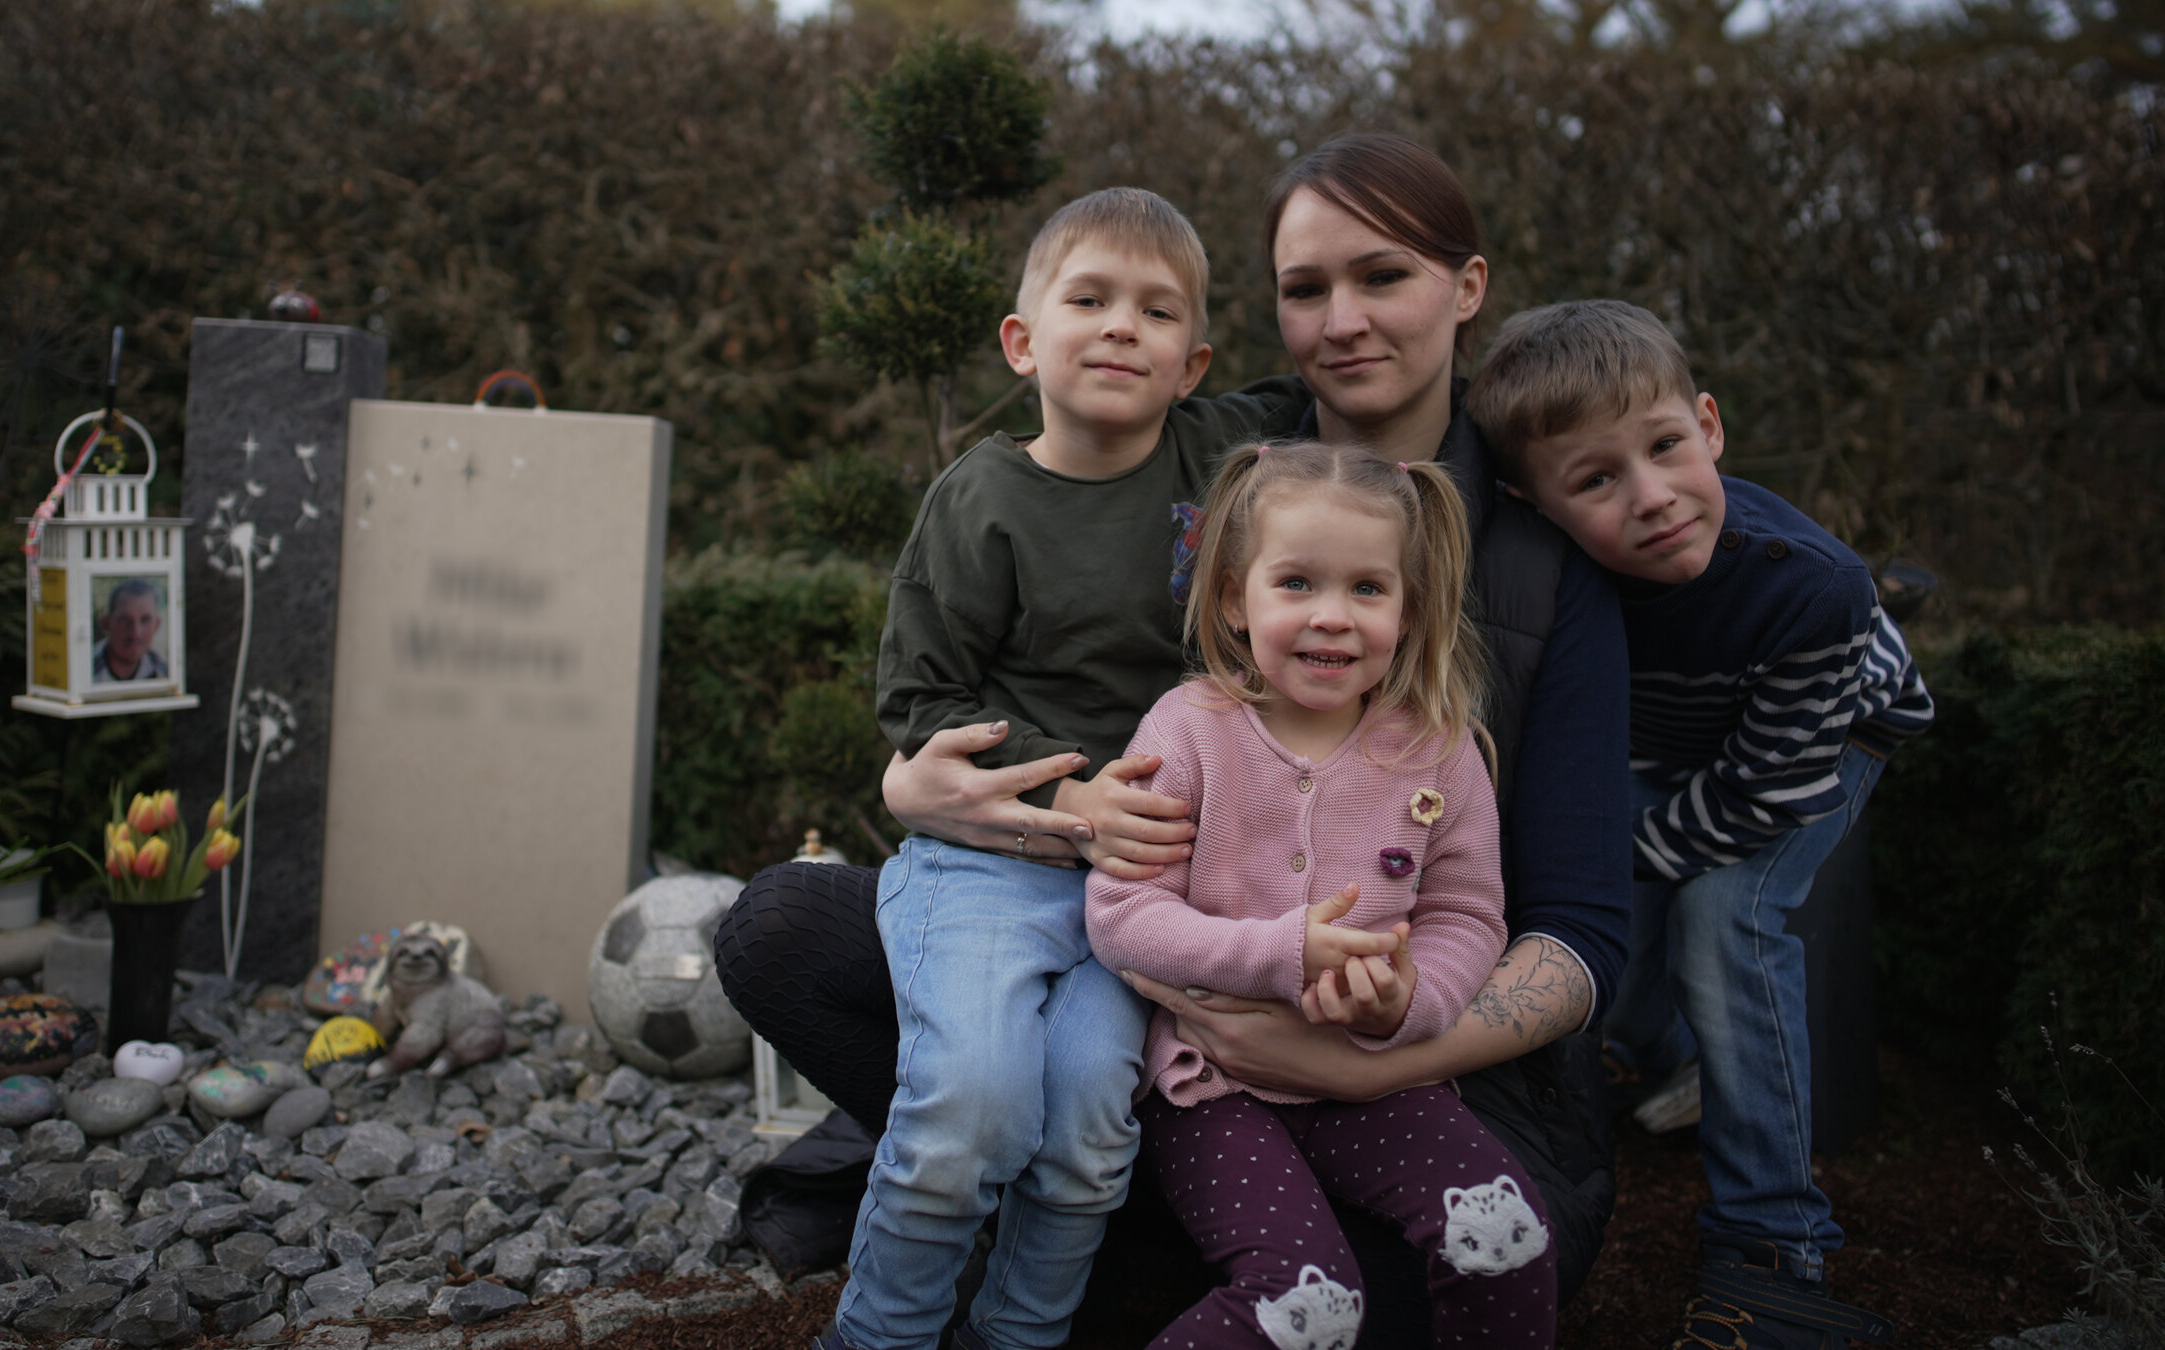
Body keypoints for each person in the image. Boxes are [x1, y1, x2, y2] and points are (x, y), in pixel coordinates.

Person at [719, 133, 1632, 1345]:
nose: (1342, 320)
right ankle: (1040, 1205)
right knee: (783, 928)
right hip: (1145, 960)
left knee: (1461, 1261)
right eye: (1304, 290)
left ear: (1464, 290)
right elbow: (978, 651)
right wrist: (932, 785)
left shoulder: (1536, 554)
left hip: (1394, 1045)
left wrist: (1376, 1054)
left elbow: (1577, 929)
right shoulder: (1218, 452)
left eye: (1383, 278)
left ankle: (1112, 1250)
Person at [828, 186, 1305, 1350]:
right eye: (1086, 299)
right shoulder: (981, 500)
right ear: (1022, 340)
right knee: (969, 1114)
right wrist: (1061, 798)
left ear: (1190, 364)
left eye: (1154, 313)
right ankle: (876, 1336)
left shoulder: (1217, 456)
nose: (1118, 328)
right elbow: (919, 701)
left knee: (1091, 1128)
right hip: (993, 862)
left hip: (1137, 890)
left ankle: (1019, 1337)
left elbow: (1345, 388)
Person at [1466, 298, 1932, 1348]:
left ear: (1708, 426)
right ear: (1531, 506)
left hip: (1825, 739)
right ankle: (1653, 1043)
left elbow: (1759, 797)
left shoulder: (1811, 586)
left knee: (1722, 911)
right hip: (1679, 745)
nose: (1651, 499)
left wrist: (1604, 861)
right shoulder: (1561, 577)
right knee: (1586, 883)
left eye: (1666, 448)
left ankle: (1773, 1242)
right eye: (1593, 480)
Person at [1087, 440, 1556, 1348]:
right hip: (1212, 1087)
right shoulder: (1189, 731)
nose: (1332, 618)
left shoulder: (1440, 747)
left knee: (1506, 1239)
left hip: (1373, 1083)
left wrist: (1405, 1003)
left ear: (1410, 606)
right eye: (1296, 583)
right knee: (1309, 1305)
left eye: (1368, 590)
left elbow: (1467, 915)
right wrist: (1279, 950)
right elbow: (1120, 914)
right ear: (1234, 597)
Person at [93, 578, 168, 681]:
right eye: (124, 620)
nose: (136, 633)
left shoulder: (163, 673)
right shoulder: (87, 670)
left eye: (145, 620)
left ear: (157, 625)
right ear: (107, 623)